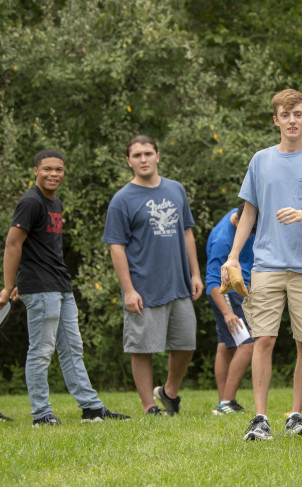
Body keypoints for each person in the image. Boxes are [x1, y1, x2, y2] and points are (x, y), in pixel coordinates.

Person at [221, 89, 302, 440]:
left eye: (298, 114)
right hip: (267, 264)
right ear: (276, 120)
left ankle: (295, 416)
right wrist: (232, 255)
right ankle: (260, 418)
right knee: (264, 340)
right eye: (285, 115)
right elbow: (248, 212)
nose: (292, 120)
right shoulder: (261, 160)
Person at [0, 149, 129, 425]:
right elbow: (13, 244)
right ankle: (41, 414)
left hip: (60, 285)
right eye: (47, 169)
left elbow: (40, 247)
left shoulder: (55, 203)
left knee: (72, 348)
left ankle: (91, 408)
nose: (53, 174)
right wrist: (9, 285)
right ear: (36, 171)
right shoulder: (31, 203)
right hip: (40, 287)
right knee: (42, 351)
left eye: (58, 169)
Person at [103, 136, 204, 416]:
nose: (143, 159)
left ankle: (169, 393)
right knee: (142, 349)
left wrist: (195, 274)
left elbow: (186, 232)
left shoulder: (176, 189)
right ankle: (150, 407)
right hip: (144, 287)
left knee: (186, 344)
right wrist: (128, 290)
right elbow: (116, 246)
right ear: (129, 161)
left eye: (148, 153)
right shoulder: (122, 199)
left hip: (179, 285)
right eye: (137, 155)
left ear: (158, 156)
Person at [205, 203, 256, 415]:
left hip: (241, 289)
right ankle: (225, 402)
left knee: (226, 345)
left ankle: (225, 402)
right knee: (248, 344)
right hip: (227, 294)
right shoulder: (222, 240)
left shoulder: (245, 214)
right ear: (239, 220)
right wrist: (227, 313)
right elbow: (212, 281)